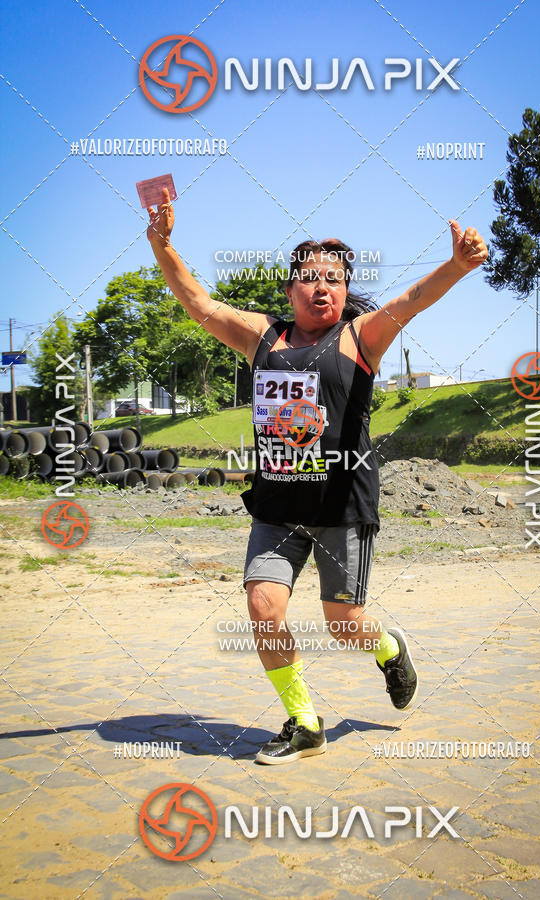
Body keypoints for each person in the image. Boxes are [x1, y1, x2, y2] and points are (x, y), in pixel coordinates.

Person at [147, 187, 488, 765]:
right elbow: (199, 303)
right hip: (277, 508)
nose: (322, 285)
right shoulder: (263, 338)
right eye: (310, 276)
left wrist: (456, 265)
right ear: (290, 289)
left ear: (345, 288)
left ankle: (387, 646)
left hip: (341, 508)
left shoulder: (360, 338)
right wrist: (161, 243)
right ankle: (304, 722)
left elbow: (412, 298)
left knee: (345, 626)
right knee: (262, 607)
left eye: (334, 277)